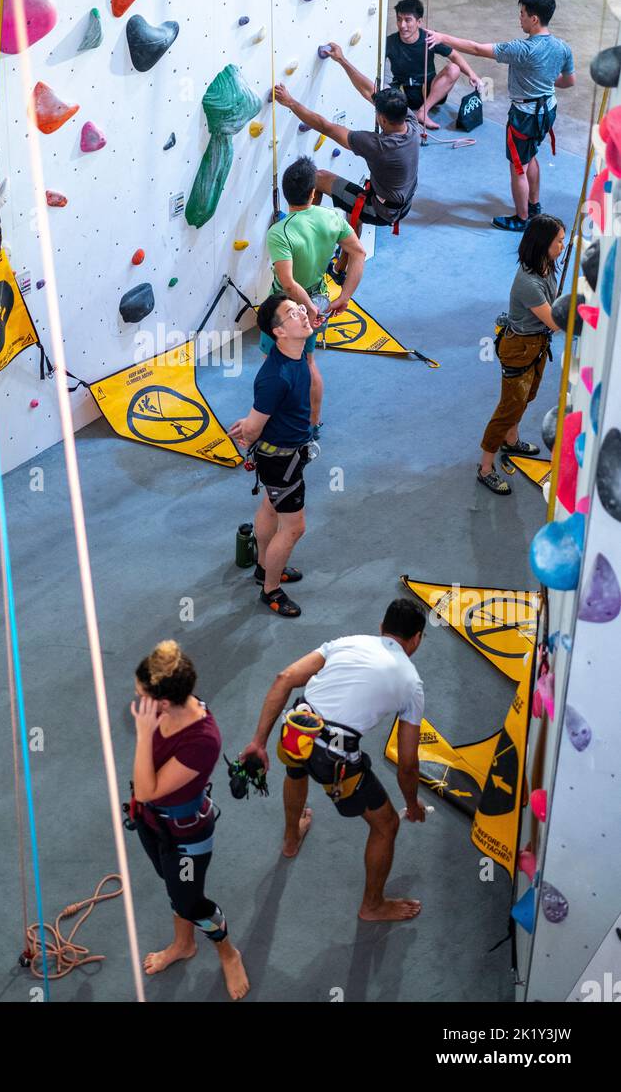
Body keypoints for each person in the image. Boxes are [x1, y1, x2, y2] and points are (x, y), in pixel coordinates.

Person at [240, 599, 427, 922]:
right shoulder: (412, 684)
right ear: (417, 639)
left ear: (381, 628)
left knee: (296, 770)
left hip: (297, 731)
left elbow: (285, 677)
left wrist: (258, 742)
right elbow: (408, 762)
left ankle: (290, 839)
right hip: (335, 760)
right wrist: (411, 805)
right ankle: (372, 906)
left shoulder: (347, 641)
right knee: (386, 825)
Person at [129, 640, 249, 1001]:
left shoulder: (202, 741)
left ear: (164, 702)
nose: (136, 701)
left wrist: (143, 734)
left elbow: (148, 788)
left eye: (142, 695)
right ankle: (184, 945)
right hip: (151, 823)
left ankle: (229, 953)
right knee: (173, 887)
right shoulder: (168, 708)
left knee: (192, 902)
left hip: (185, 838)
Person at [426, 0, 575, 231]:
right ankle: (533, 205)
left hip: (525, 115)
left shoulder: (522, 49)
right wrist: (545, 80)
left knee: (518, 167)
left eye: (523, 14)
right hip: (548, 109)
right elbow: (569, 81)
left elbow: (476, 48)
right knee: (531, 155)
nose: (520, 18)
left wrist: (443, 37)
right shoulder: (562, 48)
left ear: (534, 19)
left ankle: (522, 218)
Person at [274, 51, 420, 281]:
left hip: (382, 209)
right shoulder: (410, 124)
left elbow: (326, 127)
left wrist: (290, 102)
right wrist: (342, 60)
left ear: (382, 119)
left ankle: (307, 235)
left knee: (319, 177)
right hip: (400, 203)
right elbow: (371, 91)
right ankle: (340, 269)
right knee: (355, 207)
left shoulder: (379, 146)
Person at [263, 155, 366, 437]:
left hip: (286, 309)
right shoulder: (331, 218)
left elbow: (288, 283)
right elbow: (358, 253)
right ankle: (312, 424)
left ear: (286, 194)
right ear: (312, 192)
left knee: (271, 363)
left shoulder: (279, 231)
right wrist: (344, 296)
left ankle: (271, 420)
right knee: (308, 362)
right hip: (319, 299)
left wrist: (307, 310)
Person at [229, 293, 314, 617]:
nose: (303, 315)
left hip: (286, 454)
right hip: (281, 461)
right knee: (294, 528)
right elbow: (252, 428)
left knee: (269, 504)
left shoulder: (296, 353)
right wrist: (248, 428)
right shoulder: (274, 377)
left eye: (300, 309)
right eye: (294, 314)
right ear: (278, 331)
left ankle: (265, 568)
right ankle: (271, 590)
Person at [478, 215, 565, 494]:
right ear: (543, 245)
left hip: (537, 346)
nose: (562, 246)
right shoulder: (528, 283)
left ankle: (511, 440)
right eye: (559, 241)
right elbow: (555, 322)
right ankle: (486, 468)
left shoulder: (546, 266)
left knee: (527, 396)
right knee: (507, 409)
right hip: (519, 349)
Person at [386, 0, 481, 130]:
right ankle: (407, 113)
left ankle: (423, 112)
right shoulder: (390, 42)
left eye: (408, 20)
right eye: (399, 19)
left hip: (429, 91)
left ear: (419, 22)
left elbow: (454, 55)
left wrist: (472, 75)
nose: (402, 25)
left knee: (454, 68)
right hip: (402, 93)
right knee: (383, 89)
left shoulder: (430, 38)